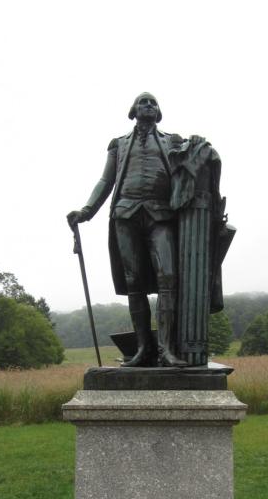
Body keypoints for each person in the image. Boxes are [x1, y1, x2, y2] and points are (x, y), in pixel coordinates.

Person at [67, 92, 191, 367]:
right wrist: (86, 211)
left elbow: (189, 172)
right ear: (133, 110)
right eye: (142, 101)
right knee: (134, 283)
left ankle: (166, 350)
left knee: (168, 277)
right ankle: (143, 349)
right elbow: (105, 181)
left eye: (153, 102)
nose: (148, 105)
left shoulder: (172, 140)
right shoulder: (119, 144)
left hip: (160, 214)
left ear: (158, 112)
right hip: (125, 214)